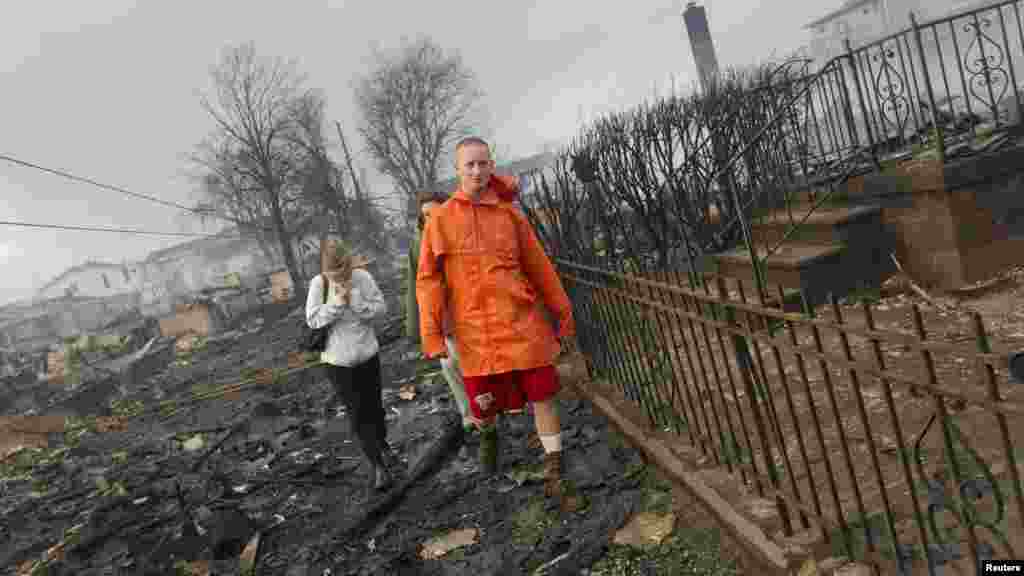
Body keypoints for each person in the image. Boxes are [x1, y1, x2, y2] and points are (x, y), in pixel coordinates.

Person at [417, 136, 578, 509]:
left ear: (492, 166)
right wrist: (432, 332)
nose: (477, 171)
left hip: (522, 326)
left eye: (483, 163)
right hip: (475, 337)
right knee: (485, 408)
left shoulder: (510, 216)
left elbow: (540, 268)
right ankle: (488, 438)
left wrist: (562, 312)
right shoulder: (439, 221)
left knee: (542, 395)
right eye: (469, 165)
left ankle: (555, 470)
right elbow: (427, 280)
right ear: (458, 170)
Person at [306, 239, 397, 492]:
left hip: (368, 354)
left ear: (349, 262)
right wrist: (335, 304)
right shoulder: (319, 284)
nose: (340, 276)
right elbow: (312, 320)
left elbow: (381, 309)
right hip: (338, 363)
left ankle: (382, 444)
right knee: (358, 414)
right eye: (333, 272)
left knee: (375, 407)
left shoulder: (363, 278)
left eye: (343, 271)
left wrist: (356, 302)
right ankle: (378, 466)